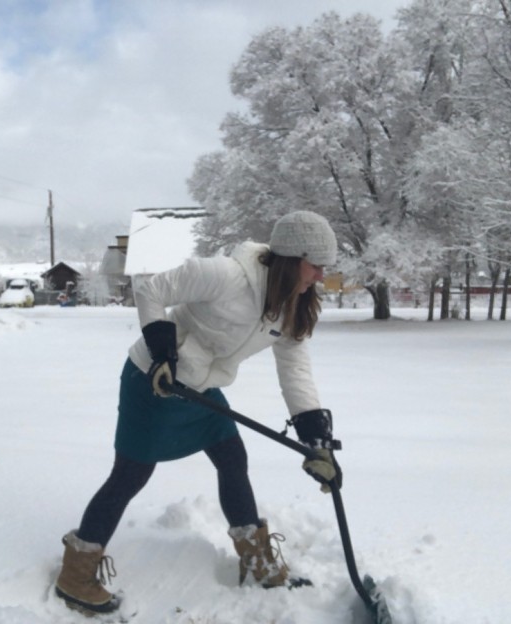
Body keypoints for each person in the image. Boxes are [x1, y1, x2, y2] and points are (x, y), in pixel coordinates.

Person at [54, 211, 343, 615]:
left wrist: (315, 439)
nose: (321, 276)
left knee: (232, 457)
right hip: (153, 380)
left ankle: (256, 560)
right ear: (293, 259)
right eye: (316, 266)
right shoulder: (226, 276)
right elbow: (152, 290)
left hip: (201, 388)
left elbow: (294, 369)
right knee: (132, 474)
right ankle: (76, 574)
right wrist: (163, 354)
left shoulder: (291, 306)